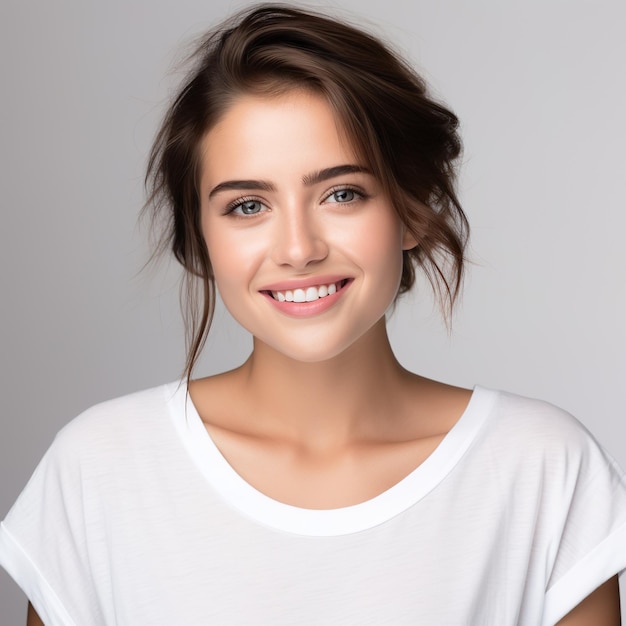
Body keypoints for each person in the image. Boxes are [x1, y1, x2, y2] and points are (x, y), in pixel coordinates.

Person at [2, 4, 625, 625]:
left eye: (342, 194)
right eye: (248, 205)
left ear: (411, 209)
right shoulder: (100, 469)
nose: (299, 249)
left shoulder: (542, 468)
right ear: (201, 237)